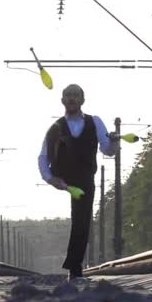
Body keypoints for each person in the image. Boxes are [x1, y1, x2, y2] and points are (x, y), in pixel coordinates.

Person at [38, 84, 119, 280]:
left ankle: (74, 267)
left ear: (82, 100)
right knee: (80, 219)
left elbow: (107, 150)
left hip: (84, 178)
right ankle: (74, 265)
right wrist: (50, 178)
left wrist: (115, 141)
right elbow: (43, 156)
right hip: (64, 176)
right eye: (68, 95)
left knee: (81, 220)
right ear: (62, 100)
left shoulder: (95, 122)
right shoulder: (55, 127)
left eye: (75, 95)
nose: (72, 98)